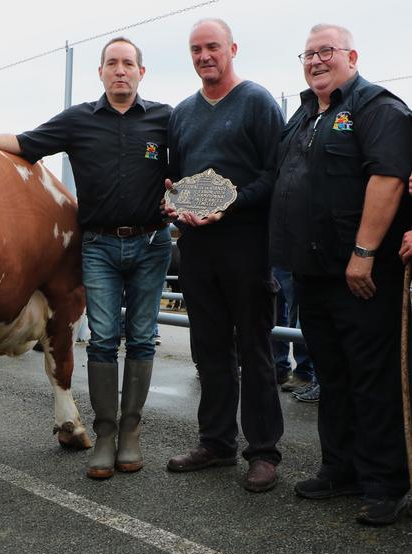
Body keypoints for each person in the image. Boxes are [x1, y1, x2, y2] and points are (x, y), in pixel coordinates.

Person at [0, 37, 172, 479]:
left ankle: (130, 435)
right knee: (104, 338)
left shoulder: (166, 119)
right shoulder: (79, 120)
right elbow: (28, 143)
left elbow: (186, 168)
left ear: (142, 72)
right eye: (112, 63)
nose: (120, 70)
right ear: (101, 72)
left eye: (129, 64)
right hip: (100, 245)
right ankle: (105, 438)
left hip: (151, 244)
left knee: (143, 338)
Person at [270, 23, 412, 526]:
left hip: (360, 273)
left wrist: (364, 252)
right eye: (307, 54)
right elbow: (277, 177)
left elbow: (389, 177)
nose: (314, 61)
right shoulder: (304, 115)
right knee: (332, 374)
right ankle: (341, 468)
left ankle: (386, 483)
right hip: (311, 273)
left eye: (325, 51)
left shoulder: (378, 108)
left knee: (371, 377)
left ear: (352, 56)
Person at [162, 19, 284, 492]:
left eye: (212, 47)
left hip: (246, 245)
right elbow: (174, 177)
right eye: (196, 49)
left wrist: (229, 204)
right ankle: (215, 442)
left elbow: (274, 174)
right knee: (208, 348)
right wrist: (175, 206)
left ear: (232, 48)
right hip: (196, 247)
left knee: (253, 350)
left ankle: (264, 451)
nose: (204, 55)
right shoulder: (183, 112)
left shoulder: (256, 101)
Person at [272, 266, 319, 402]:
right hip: (278, 256)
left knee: (299, 319)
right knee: (278, 315)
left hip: (293, 261)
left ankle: (305, 374)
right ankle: (281, 368)